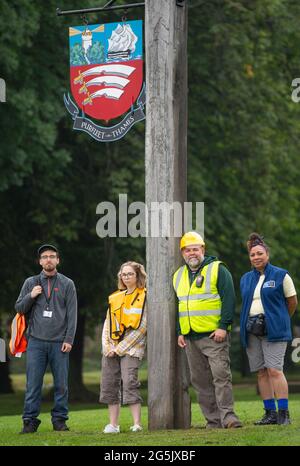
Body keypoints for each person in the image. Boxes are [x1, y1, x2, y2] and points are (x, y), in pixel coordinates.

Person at [173, 231, 242, 429]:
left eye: (195, 249)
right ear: (182, 253)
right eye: (187, 250)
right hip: (190, 338)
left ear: (203, 249)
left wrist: (223, 327)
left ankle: (229, 418)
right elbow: (181, 306)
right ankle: (213, 421)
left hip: (214, 336)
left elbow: (229, 299)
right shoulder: (178, 276)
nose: (191, 253)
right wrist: (180, 331)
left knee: (221, 377)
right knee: (201, 382)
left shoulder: (218, 269)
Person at [15, 244, 77, 434]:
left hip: (60, 342)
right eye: (44, 257)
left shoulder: (67, 283)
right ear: (40, 261)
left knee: (61, 385)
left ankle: (59, 420)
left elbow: (72, 315)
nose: (48, 259)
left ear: (58, 260)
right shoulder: (30, 282)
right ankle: (30, 421)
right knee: (33, 384)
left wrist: (69, 339)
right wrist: (31, 296)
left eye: (52, 256)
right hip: (35, 342)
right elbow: (19, 308)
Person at [240, 233, 297, 425]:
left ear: (267, 254)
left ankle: (283, 414)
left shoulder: (281, 275)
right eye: (252, 255)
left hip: (275, 331)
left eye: (259, 253)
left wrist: (278, 320)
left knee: (274, 370)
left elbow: (292, 302)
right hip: (252, 330)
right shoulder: (246, 279)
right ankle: (270, 413)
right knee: (261, 372)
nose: (256, 257)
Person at [99, 261, 147, 434]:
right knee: (110, 384)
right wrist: (107, 346)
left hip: (132, 347)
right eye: (123, 274)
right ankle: (113, 425)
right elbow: (108, 323)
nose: (126, 277)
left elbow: (142, 327)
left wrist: (119, 348)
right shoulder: (116, 297)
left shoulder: (144, 296)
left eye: (130, 274)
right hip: (111, 347)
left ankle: (137, 423)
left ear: (138, 276)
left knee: (129, 382)